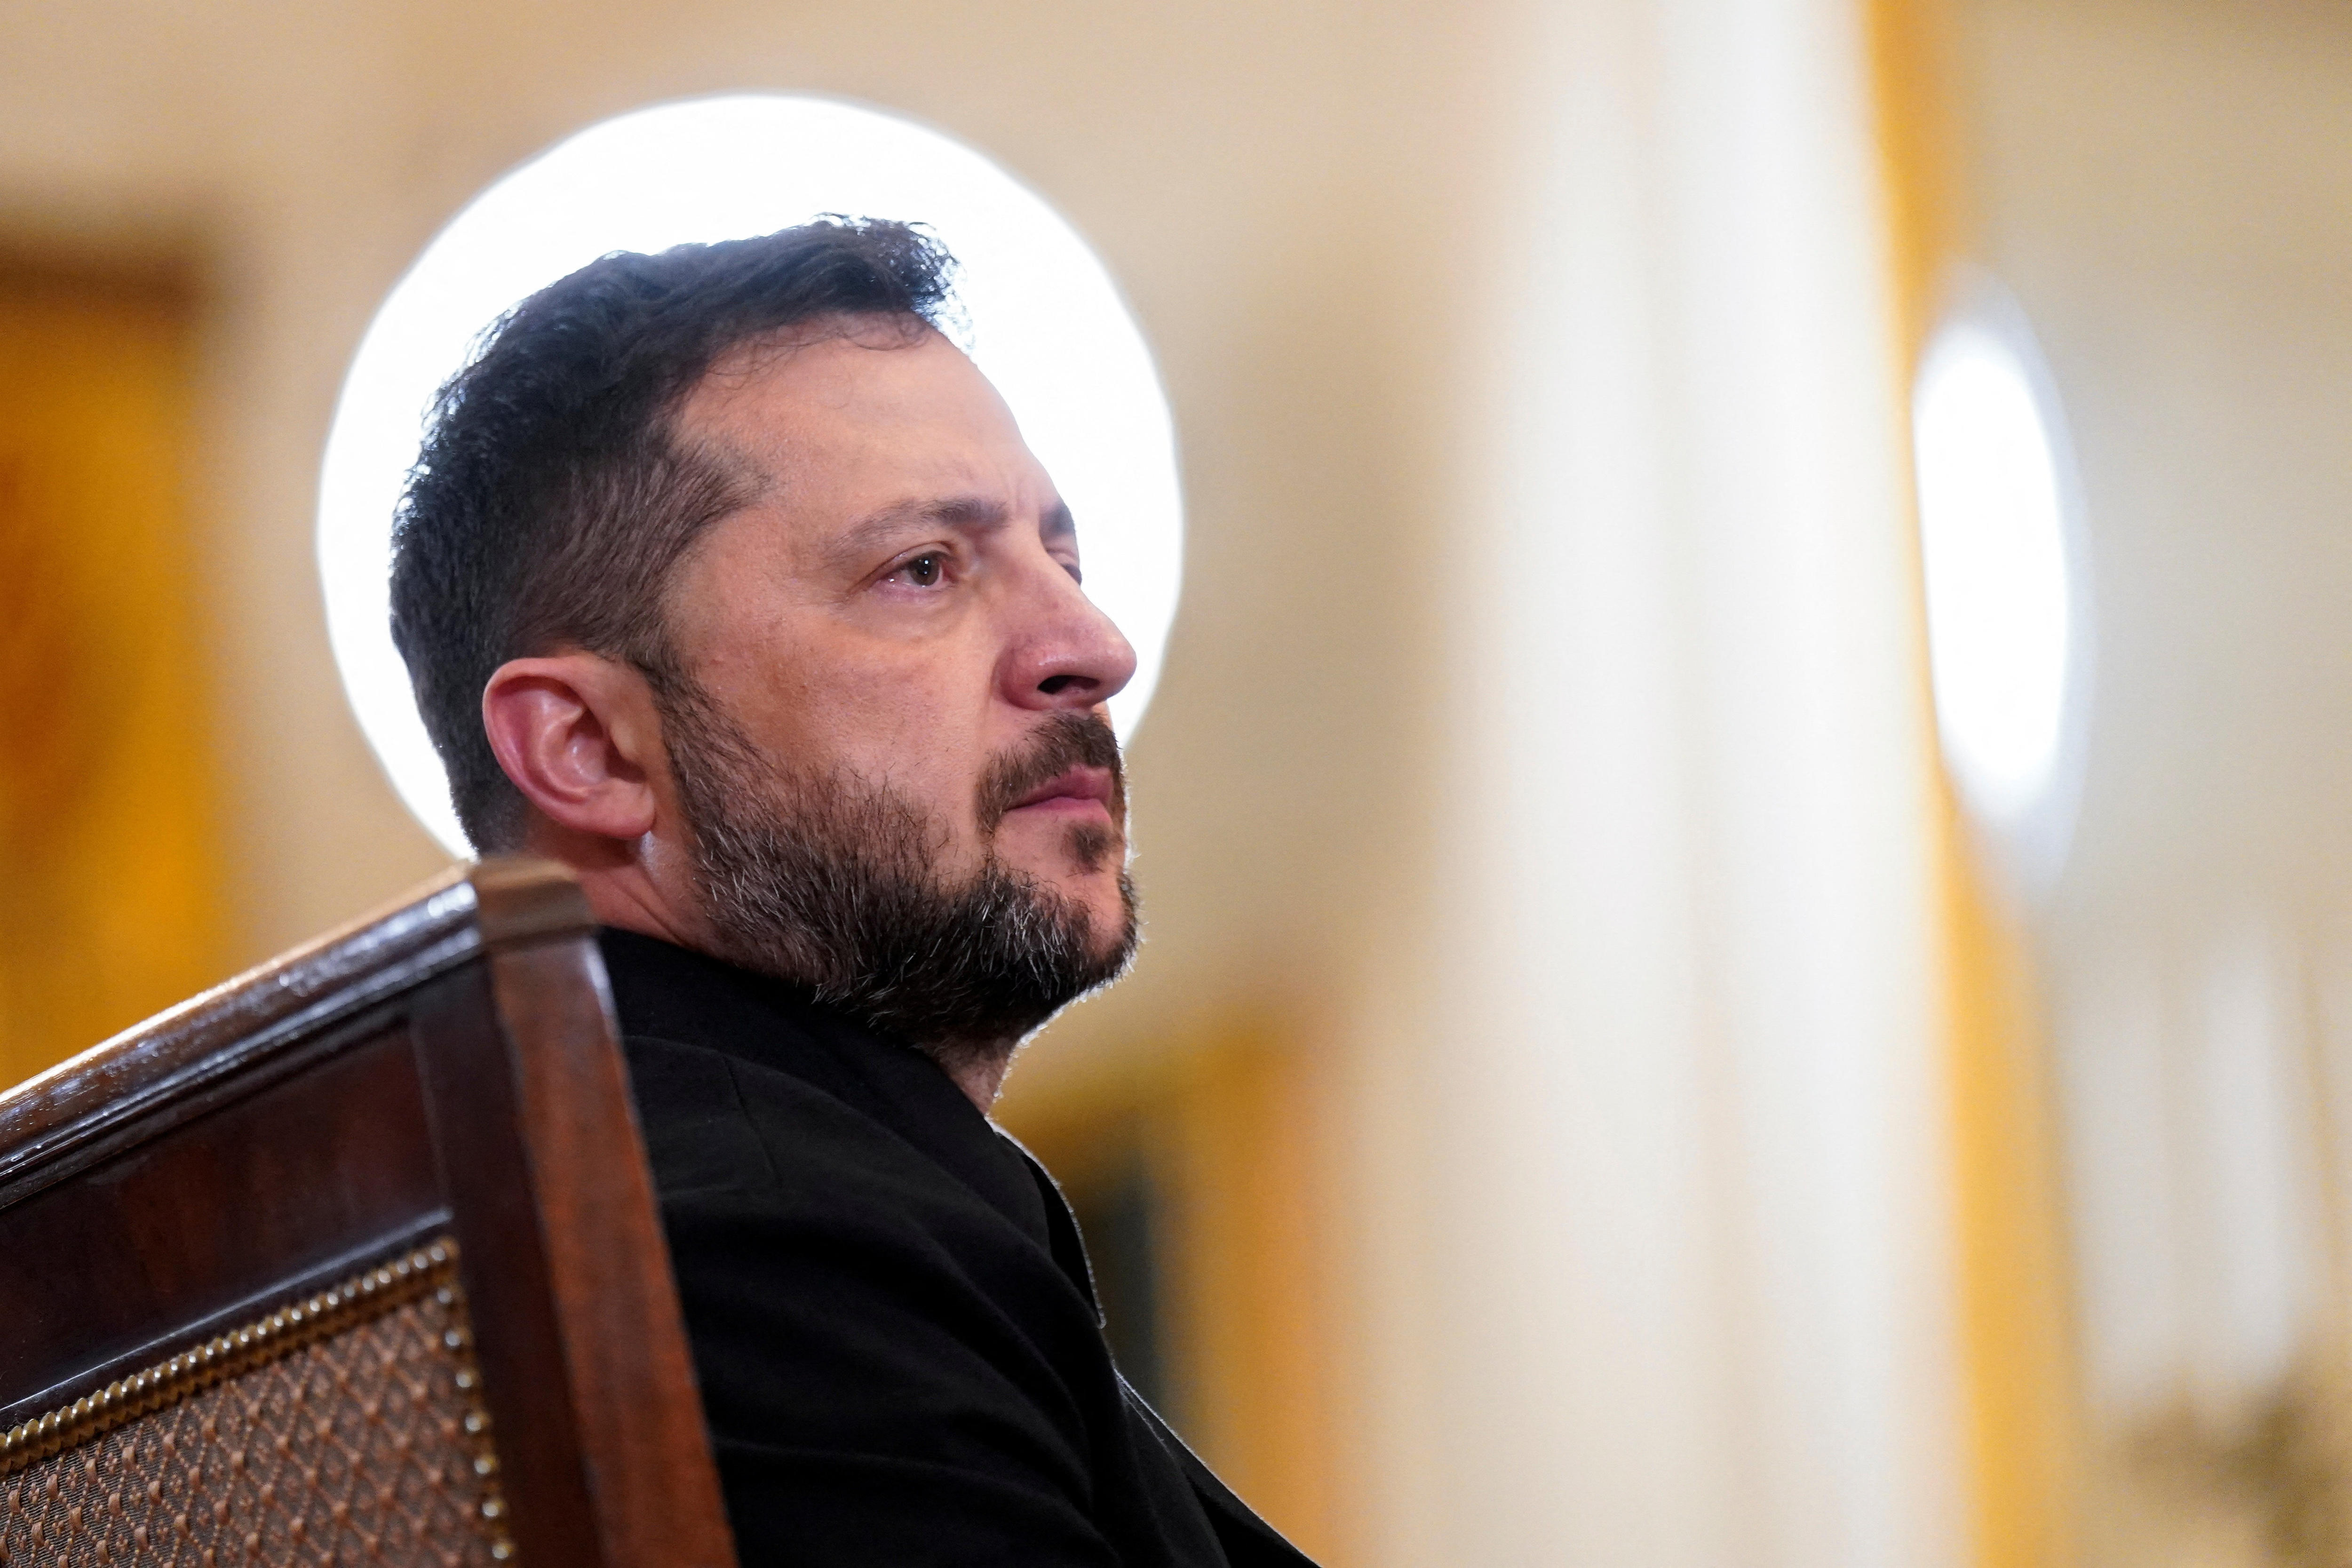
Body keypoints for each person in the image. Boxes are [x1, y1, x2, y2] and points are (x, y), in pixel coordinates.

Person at [388, 219, 1315, 1568]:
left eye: (1064, 557)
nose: (1092, 648)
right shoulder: (752, 1255)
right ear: (588, 750)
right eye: (922, 570)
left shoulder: (678, 1192)